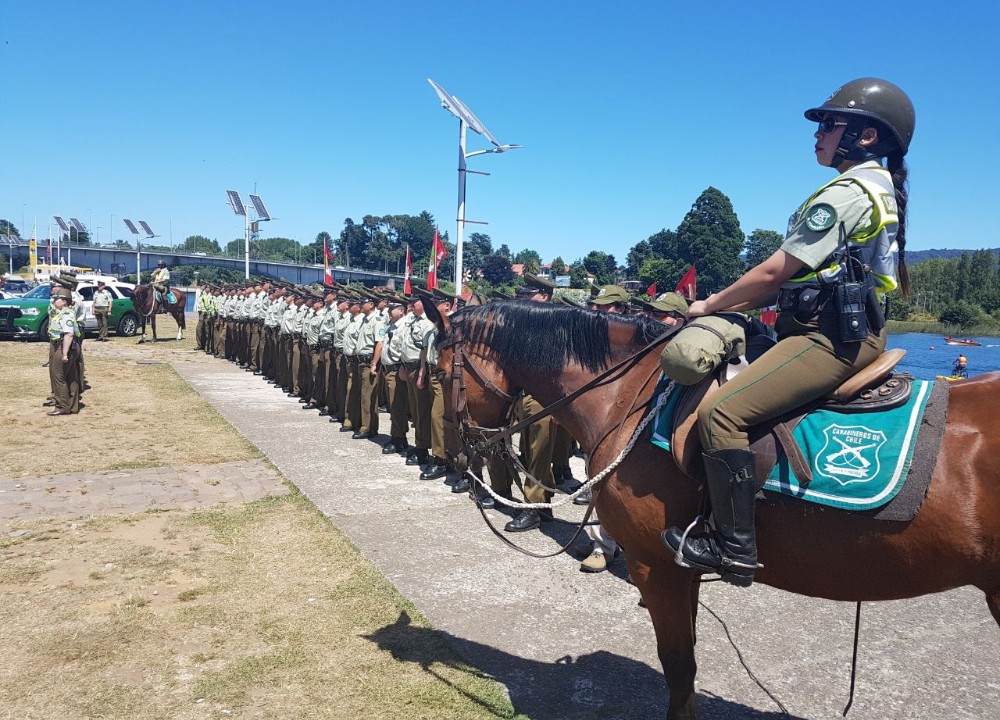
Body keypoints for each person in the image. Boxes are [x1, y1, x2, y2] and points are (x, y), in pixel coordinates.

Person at [663, 78, 914, 587]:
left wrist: (708, 304)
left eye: (829, 124)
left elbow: (775, 272)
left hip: (829, 339)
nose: (817, 134)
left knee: (722, 412)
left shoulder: (849, 192)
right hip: (831, 326)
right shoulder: (874, 187)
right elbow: (787, 284)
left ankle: (731, 546)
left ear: (866, 136)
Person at [46, 287, 81, 415]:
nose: (55, 300)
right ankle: (73, 406)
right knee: (71, 377)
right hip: (66, 346)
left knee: (58, 377)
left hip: (63, 346)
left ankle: (62, 406)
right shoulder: (63, 312)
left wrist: (65, 353)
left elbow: (68, 334)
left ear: (65, 301)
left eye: (58, 299)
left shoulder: (66, 314)